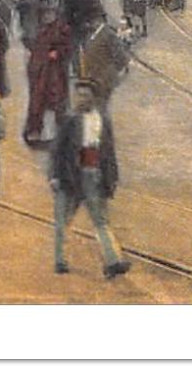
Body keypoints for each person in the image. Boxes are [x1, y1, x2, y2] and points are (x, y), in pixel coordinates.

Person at [49, 80, 132, 279]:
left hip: (94, 175)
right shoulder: (69, 120)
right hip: (70, 175)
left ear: (94, 98)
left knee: (100, 220)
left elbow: (108, 152)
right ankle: (60, 260)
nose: (81, 99)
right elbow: (57, 150)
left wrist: (111, 178)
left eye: (85, 96)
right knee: (63, 220)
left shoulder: (102, 120)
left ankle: (112, 261)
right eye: (78, 95)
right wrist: (54, 176)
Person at [24, 5, 72, 147]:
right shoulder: (40, 29)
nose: (47, 17)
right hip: (40, 72)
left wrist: (58, 53)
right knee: (38, 101)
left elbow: (68, 47)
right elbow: (36, 48)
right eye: (45, 14)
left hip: (55, 73)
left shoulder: (63, 29)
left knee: (54, 101)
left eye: (50, 13)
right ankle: (38, 132)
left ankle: (56, 135)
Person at [79, 9, 131, 106]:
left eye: (91, 20)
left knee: (101, 107)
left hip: (103, 79)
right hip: (92, 77)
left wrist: (111, 72)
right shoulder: (92, 33)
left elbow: (121, 57)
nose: (89, 23)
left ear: (99, 20)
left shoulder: (108, 34)